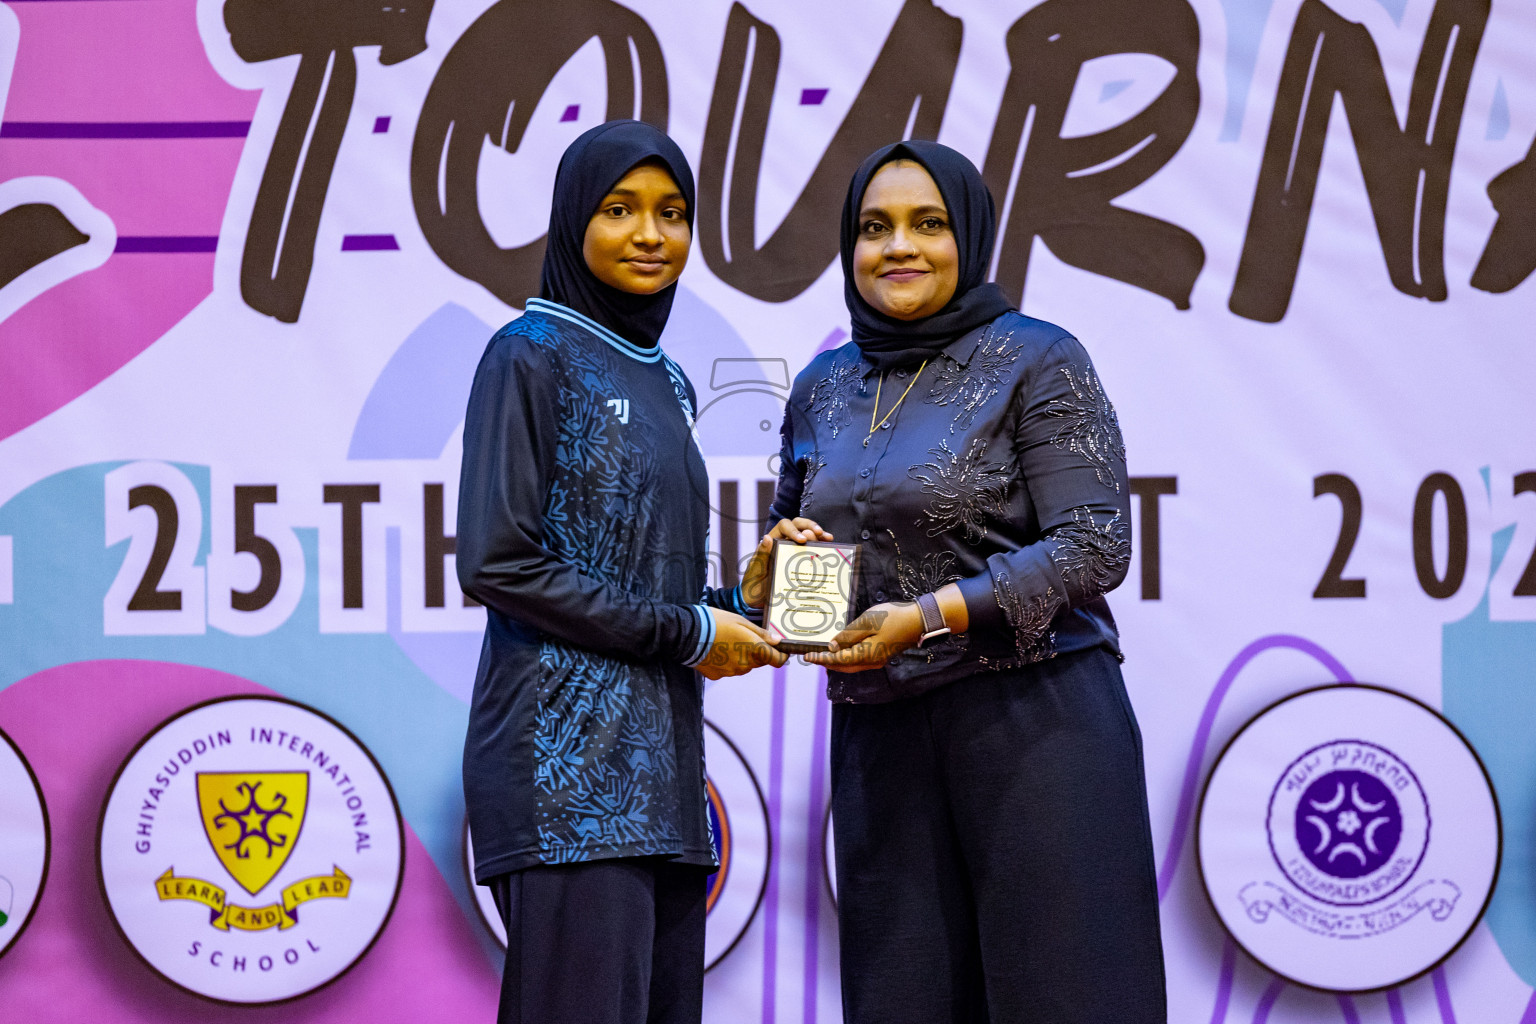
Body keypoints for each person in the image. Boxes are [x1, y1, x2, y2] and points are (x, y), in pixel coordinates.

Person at [755, 141, 1166, 1022]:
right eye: (874, 228)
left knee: (1065, 995)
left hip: (1037, 729)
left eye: (926, 224)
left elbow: (1096, 544)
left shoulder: (1038, 359)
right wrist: (775, 584)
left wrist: (932, 616)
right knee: (905, 999)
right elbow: (815, 560)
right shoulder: (823, 387)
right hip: (883, 742)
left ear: (969, 236)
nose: (898, 247)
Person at [456, 120, 786, 1024]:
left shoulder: (667, 376)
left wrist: (736, 606)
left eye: (672, 213)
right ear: (572, 222)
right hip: (566, 785)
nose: (651, 234)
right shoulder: (528, 353)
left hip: (667, 787)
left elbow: (652, 597)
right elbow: (499, 562)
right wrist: (691, 631)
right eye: (620, 210)